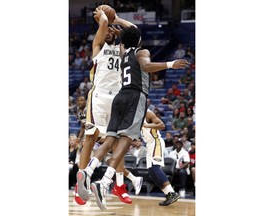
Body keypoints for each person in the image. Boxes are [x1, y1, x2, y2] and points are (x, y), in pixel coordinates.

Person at [78, 25, 190, 211]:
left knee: (109, 140)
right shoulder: (141, 51)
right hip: (135, 97)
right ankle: (104, 182)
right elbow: (146, 66)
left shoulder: (123, 54)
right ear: (138, 40)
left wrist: (113, 21)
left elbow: (129, 34)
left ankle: (87, 171)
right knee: (124, 142)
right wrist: (171, 64)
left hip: (119, 97)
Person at [75, 6, 142, 205]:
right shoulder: (98, 46)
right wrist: (103, 15)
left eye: (114, 30)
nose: (112, 30)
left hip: (117, 99)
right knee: (90, 138)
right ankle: (81, 185)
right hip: (98, 97)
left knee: (117, 141)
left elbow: (135, 33)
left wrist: (118, 19)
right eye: (109, 30)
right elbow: (104, 23)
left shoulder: (122, 49)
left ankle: (118, 184)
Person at [141, 109, 181, 206]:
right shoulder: (136, 115)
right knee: (151, 171)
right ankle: (168, 194)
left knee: (155, 168)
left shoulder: (148, 113)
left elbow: (162, 126)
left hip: (156, 142)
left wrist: (147, 125)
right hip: (149, 144)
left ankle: (172, 193)